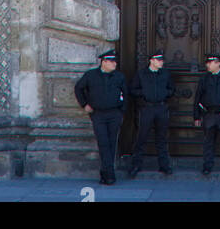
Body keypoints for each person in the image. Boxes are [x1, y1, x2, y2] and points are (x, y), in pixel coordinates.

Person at [74, 48, 127, 186]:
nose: (115, 64)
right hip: (98, 114)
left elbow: (125, 94)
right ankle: (109, 174)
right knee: (103, 143)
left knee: (111, 143)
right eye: (112, 62)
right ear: (104, 62)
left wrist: (122, 111)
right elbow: (78, 88)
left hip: (114, 113)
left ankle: (106, 173)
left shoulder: (119, 77)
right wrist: (84, 104)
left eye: (115, 62)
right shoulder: (91, 75)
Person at [128, 49, 175, 177]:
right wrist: (144, 95)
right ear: (151, 61)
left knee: (162, 138)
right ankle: (136, 165)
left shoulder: (165, 74)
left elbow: (172, 89)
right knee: (141, 138)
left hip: (161, 108)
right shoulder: (141, 74)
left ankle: (164, 166)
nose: (161, 62)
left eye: (162, 60)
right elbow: (133, 89)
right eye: (159, 60)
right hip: (147, 108)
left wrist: (165, 94)